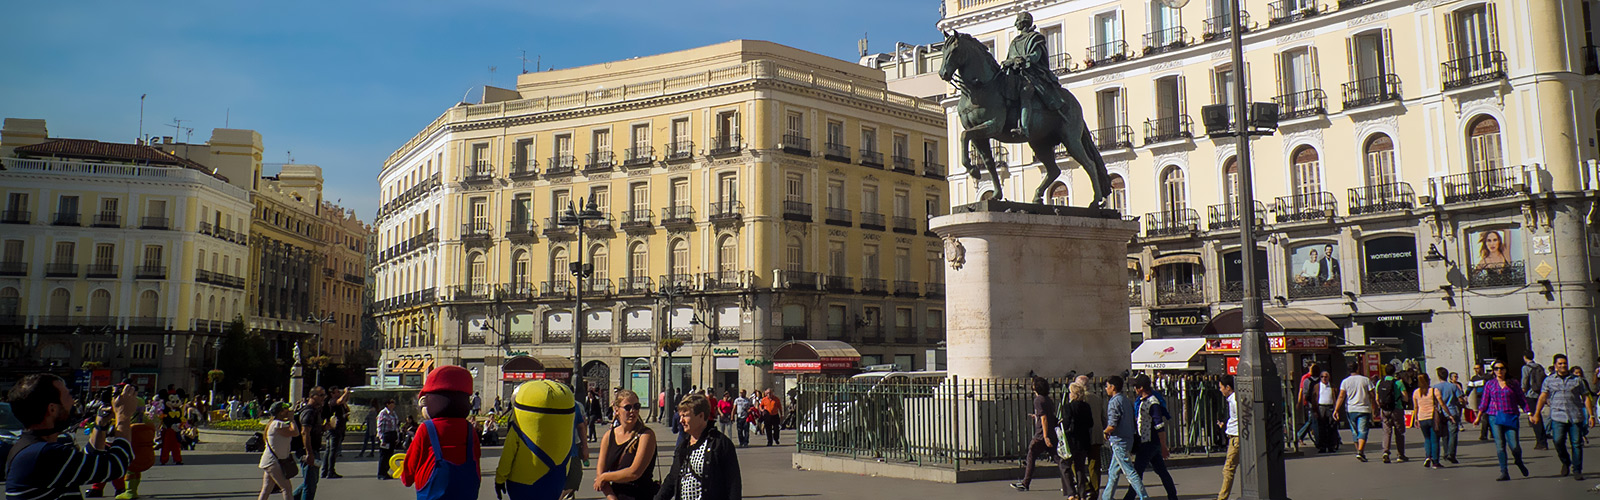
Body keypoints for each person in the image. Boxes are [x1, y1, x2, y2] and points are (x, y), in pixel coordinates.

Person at [5, 375, 137, 500]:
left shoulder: (31, 448)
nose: (73, 402)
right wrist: (123, 416)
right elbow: (116, 465)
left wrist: (101, 424)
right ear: (52, 409)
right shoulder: (44, 454)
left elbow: (87, 462)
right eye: (68, 396)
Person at [401, 365, 482, 500]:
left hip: (432, 490)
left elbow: (413, 458)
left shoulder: (426, 428)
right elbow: (476, 457)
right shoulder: (469, 428)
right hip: (466, 490)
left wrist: (407, 478)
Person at [654, 394, 740, 500]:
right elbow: (672, 479)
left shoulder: (719, 443)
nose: (681, 420)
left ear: (700, 416)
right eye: (680, 416)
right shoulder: (684, 445)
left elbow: (733, 484)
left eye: (685, 415)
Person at [999, 11, 1064, 136]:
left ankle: (1024, 128)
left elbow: (1036, 56)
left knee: (1025, 92)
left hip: (1031, 74)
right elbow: (1011, 57)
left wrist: (1023, 59)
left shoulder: (1035, 38)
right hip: (1014, 74)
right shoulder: (1015, 41)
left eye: (1017, 21)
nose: (1015, 24)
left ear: (1023, 22)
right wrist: (1008, 62)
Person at [1531, 353, 1591, 480]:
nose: (1563, 366)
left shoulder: (1577, 380)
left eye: (1565, 363)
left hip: (1575, 416)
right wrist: (1536, 413)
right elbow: (1543, 397)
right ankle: (1565, 461)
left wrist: (1591, 415)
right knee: (1558, 441)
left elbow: (1585, 397)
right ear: (1555, 366)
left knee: (1576, 444)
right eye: (1560, 364)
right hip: (1558, 416)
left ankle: (1577, 469)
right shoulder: (1549, 380)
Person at [593, 390, 658, 500]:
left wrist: (605, 477)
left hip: (640, 495)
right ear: (617, 410)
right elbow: (600, 474)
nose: (633, 411)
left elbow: (634, 473)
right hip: (616, 495)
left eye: (636, 406)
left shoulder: (646, 435)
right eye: (627, 408)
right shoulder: (609, 436)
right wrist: (612, 497)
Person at [1011, 376, 1069, 493]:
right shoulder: (1048, 399)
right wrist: (1036, 416)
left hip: (1041, 435)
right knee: (1059, 459)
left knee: (1031, 456)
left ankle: (1025, 483)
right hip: (1050, 433)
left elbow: (1044, 418)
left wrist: (1045, 436)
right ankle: (1071, 481)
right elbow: (1048, 416)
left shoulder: (1038, 400)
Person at [1121, 376, 1176, 500]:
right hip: (1147, 441)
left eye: (1136, 386)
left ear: (1141, 388)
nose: (1134, 388)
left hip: (1149, 442)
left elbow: (1159, 426)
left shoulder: (1152, 403)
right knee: (1161, 471)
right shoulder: (1142, 401)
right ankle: (1173, 496)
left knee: (1137, 472)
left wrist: (1163, 446)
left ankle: (1130, 497)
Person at [1099, 376, 1147, 500]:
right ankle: (1107, 497)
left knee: (1129, 471)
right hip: (1128, 437)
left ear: (1112, 387)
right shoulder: (1126, 400)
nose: (1106, 389)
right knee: (1113, 471)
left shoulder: (1114, 402)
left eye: (1107, 386)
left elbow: (1112, 424)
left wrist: (1104, 432)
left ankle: (1144, 496)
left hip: (1119, 440)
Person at [1483, 360, 1530, 481]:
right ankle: (1504, 471)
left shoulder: (1513, 383)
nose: (1499, 371)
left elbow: (1521, 399)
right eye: (1496, 369)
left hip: (1511, 415)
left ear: (1506, 369)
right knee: (1500, 446)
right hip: (1495, 416)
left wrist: (1529, 413)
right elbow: (1485, 401)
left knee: (1514, 445)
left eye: (1501, 368)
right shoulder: (1490, 384)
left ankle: (1518, 461)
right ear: (1493, 371)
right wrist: (1478, 416)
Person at [1334, 361, 1377, 462]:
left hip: (1351, 409)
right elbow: (1372, 394)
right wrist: (1375, 406)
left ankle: (1359, 450)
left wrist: (1336, 409)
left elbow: (1341, 396)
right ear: (1357, 368)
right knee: (1363, 431)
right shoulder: (1365, 380)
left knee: (1355, 432)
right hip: (1364, 408)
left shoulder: (1345, 382)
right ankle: (1360, 451)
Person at [259, 402, 300, 500]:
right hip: (274, 462)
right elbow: (295, 432)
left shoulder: (274, 424)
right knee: (286, 488)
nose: (288, 411)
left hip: (270, 461)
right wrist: (292, 420)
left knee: (266, 489)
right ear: (280, 412)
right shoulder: (277, 424)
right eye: (286, 409)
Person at [293, 387, 328, 500]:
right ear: (313, 396)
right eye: (321, 395)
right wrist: (309, 453)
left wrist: (324, 427)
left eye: (324, 395)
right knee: (310, 485)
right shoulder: (308, 411)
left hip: (313, 450)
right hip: (307, 451)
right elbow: (305, 433)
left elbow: (313, 431)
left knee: (311, 481)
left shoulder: (315, 411)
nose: (324, 397)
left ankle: (291, 497)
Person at [1061, 381, 1095, 500]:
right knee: (1080, 468)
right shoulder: (1086, 406)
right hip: (1083, 441)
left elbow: (1066, 424)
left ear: (1073, 394)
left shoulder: (1068, 407)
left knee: (1065, 465)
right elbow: (1091, 423)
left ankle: (1071, 492)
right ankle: (1082, 493)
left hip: (1071, 441)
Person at [1410, 372, 1449, 469]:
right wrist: (1449, 414)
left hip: (1422, 417)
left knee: (1427, 438)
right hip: (1432, 417)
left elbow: (1415, 407)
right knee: (1435, 440)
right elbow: (1442, 403)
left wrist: (1415, 418)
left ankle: (1428, 456)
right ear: (1428, 380)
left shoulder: (1416, 392)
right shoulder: (1434, 391)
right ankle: (1435, 461)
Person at [1375, 365, 1410, 463]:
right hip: (1396, 409)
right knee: (1399, 432)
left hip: (1384, 410)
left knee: (1387, 431)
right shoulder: (1398, 383)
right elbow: (1405, 397)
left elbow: (1377, 398)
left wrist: (1381, 406)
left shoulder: (1380, 382)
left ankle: (1386, 452)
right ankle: (1400, 454)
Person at [1432, 367, 1465, 464]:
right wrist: (1463, 404)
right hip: (1452, 411)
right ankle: (1451, 453)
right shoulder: (1453, 386)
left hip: (1441, 413)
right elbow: (1460, 398)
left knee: (1444, 434)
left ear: (1438, 376)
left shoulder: (1434, 387)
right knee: (1453, 433)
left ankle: (1446, 452)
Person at [1216, 376, 1240, 500]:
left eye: (1221, 387)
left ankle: (1222, 497)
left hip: (1236, 437)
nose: (1220, 390)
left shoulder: (1234, 401)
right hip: (1234, 435)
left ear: (1228, 387)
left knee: (1228, 468)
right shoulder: (1233, 400)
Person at [565, 387, 591, 500]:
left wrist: (584, 446)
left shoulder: (575, 406)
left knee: (575, 478)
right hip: (552, 453)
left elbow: (582, 425)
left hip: (573, 449)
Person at [1522, 351, 1550, 450]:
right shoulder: (1539, 366)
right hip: (1539, 393)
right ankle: (1543, 440)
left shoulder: (1526, 368)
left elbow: (1525, 381)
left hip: (1530, 394)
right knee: (1538, 416)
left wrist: (1522, 392)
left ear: (1525, 357)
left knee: (1535, 418)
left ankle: (1541, 442)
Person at [321, 387, 349, 479]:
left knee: (329, 450)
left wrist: (347, 394)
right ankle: (330, 471)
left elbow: (344, 401)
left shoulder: (335, 401)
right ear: (332, 393)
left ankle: (325, 471)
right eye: (337, 392)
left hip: (335, 428)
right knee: (333, 450)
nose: (339, 393)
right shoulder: (332, 401)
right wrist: (345, 392)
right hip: (334, 428)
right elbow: (340, 401)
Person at [1312, 371, 1339, 452]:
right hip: (1321, 407)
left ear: (1329, 377)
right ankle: (1322, 447)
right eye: (1322, 377)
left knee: (1331, 427)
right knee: (1321, 428)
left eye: (1326, 376)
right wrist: (1315, 411)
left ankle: (1331, 446)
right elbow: (1313, 399)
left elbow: (1337, 398)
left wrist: (1336, 410)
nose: (1324, 378)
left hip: (1330, 407)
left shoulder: (1332, 386)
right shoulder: (1317, 386)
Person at [376, 399, 400, 480]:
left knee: (390, 454)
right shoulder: (383, 413)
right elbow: (380, 426)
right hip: (386, 435)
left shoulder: (394, 413)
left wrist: (397, 436)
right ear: (387, 404)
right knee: (384, 455)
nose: (394, 404)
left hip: (392, 435)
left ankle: (386, 472)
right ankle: (381, 473)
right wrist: (381, 439)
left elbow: (396, 425)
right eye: (392, 403)